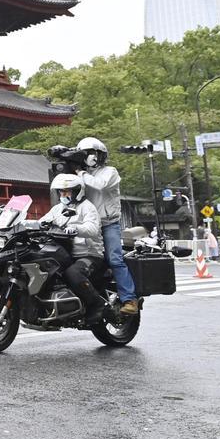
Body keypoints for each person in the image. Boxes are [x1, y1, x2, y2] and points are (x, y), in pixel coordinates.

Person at [71, 137, 138, 315]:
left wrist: (80, 173)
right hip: (89, 224)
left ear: (101, 155)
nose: (90, 157)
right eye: (86, 154)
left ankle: (130, 299)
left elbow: (99, 185)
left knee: (115, 259)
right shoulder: (81, 175)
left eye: (93, 153)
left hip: (108, 224)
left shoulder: (110, 172)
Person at [38, 173, 108, 326]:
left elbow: (92, 228)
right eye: (61, 192)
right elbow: (42, 221)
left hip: (89, 254)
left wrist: (76, 228)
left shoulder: (87, 207)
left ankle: (97, 304)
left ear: (77, 191)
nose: (63, 195)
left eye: (67, 191)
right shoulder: (58, 209)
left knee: (73, 273)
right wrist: (25, 224)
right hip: (65, 254)